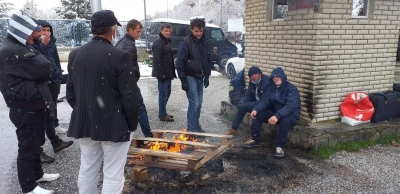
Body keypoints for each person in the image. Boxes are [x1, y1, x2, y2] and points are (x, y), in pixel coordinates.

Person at [66, 10, 139, 193]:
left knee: (88, 168)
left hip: (86, 123)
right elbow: (130, 97)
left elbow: (70, 93)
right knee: (113, 173)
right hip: (114, 125)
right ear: (113, 30)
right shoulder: (119, 56)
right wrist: (131, 125)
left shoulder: (75, 54)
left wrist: (86, 112)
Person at [0, 10, 60, 194]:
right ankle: (29, 187)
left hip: (30, 105)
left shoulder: (20, 46)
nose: (36, 35)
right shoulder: (14, 49)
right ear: (22, 31)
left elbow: (40, 67)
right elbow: (45, 68)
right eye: (33, 31)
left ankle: (38, 174)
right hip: (24, 107)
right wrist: (41, 64)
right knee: (27, 148)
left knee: (35, 144)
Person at [33, 20, 73, 164]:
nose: (47, 33)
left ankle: (56, 143)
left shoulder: (52, 43)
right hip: (43, 83)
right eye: (43, 30)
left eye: (49, 30)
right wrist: (42, 45)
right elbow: (38, 61)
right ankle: (39, 150)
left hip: (53, 80)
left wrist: (58, 75)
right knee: (41, 117)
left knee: (50, 113)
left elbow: (55, 60)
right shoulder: (35, 45)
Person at [246, 67, 301, 158]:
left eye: (277, 76)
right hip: (276, 113)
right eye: (273, 77)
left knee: (285, 120)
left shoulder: (291, 89)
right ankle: (255, 139)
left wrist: (277, 116)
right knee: (258, 115)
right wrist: (256, 109)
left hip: (290, 114)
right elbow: (266, 101)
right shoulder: (272, 88)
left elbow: (290, 106)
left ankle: (280, 147)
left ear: (283, 77)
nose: (275, 78)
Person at [115, 19, 153, 137]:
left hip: (123, 83)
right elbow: (128, 69)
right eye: (137, 31)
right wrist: (134, 78)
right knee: (139, 107)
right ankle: (148, 135)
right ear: (130, 30)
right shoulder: (129, 45)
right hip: (128, 84)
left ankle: (124, 134)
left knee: (125, 109)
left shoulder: (122, 41)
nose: (140, 34)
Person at [176, 18, 213, 133]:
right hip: (189, 75)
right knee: (194, 103)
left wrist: (207, 75)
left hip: (200, 76)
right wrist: (183, 80)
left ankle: (196, 126)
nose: (198, 33)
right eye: (196, 31)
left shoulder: (205, 42)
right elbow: (179, 62)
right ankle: (191, 129)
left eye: (200, 31)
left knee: (199, 104)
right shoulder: (186, 42)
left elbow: (208, 59)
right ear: (191, 30)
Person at [224, 66, 271, 136]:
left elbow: (265, 101)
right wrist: (242, 102)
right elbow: (248, 95)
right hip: (256, 102)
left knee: (253, 111)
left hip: (266, 105)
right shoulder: (252, 82)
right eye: (251, 75)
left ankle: (254, 136)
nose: (253, 76)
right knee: (242, 106)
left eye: (255, 74)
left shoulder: (267, 83)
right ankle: (234, 128)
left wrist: (247, 105)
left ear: (260, 74)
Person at [151, 23, 177, 122]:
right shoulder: (158, 43)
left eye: (169, 31)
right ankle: (162, 114)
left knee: (167, 93)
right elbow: (157, 60)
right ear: (161, 31)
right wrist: (160, 74)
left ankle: (163, 112)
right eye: (166, 31)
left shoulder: (166, 42)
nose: (168, 33)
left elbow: (166, 55)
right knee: (163, 94)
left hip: (168, 73)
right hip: (162, 74)